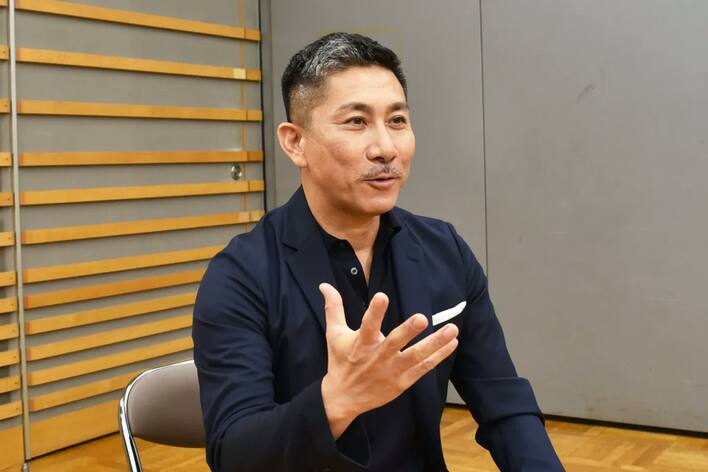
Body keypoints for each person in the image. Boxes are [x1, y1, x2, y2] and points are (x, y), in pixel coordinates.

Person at [193, 32, 564, 472]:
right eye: (356, 122)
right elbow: (234, 454)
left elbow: (504, 404)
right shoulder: (241, 276)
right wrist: (337, 400)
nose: (386, 148)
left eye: (397, 120)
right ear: (295, 143)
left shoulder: (445, 250)